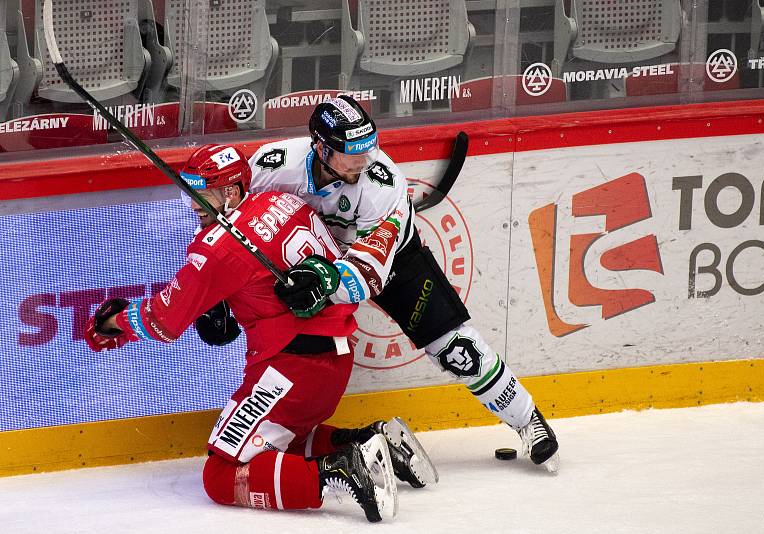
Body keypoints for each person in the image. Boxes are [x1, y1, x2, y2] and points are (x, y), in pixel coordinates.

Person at [196, 96, 560, 472]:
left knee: (456, 348)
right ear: (320, 148)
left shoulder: (382, 185)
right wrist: (215, 295)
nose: (364, 160)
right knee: (298, 358)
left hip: (388, 263)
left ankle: (527, 418)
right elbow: (224, 216)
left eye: (367, 148)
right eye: (351, 152)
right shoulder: (273, 165)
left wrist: (326, 281)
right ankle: (293, 436)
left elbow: (369, 274)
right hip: (306, 265)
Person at [83, 144, 437, 522]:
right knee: (286, 443)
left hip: (291, 369)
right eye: (189, 194)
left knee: (220, 477)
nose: (194, 207)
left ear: (232, 192)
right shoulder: (282, 201)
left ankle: (338, 470)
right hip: (334, 360)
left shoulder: (218, 247)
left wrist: (114, 324)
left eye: (202, 195)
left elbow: (164, 321)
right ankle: (368, 439)